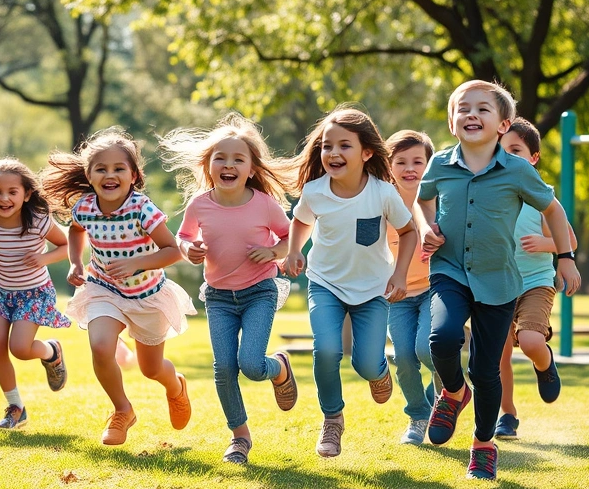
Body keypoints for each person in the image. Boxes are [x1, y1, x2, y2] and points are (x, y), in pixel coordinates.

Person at [416, 81, 581, 480]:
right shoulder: (440, 163)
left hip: (499, 282)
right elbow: (422, 198)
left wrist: (565, 258)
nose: (472, 114)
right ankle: (453, 392)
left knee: (486, 370)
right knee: (441, 339)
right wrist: (426, 226)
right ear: (453, 123)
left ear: (504, 124)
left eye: (483, 109)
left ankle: (483, 444)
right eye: (464, 109)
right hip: (451, 271)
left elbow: (555, 213)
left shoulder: (519, 171)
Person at [41, 127, 196, 446]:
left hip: (147, 296)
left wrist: (137, 263)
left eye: (118, 168)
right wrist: (76, 262)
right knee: (100, 346)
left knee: (150, 368)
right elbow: (75, 231)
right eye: (101, 168)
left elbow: (173, 251)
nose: (109, 175)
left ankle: (176, 387)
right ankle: (122, 410)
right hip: (103, 289)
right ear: (89, 174)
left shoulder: (141, 208)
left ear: (133, 175)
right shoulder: (85, 207)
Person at [161, 113, 298, 464]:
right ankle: (240, 437)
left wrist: (274, 252)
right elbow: (184, 237)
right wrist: (189, 249)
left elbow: (289, 238)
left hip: (259, 291)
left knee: (251, 364)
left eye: (238, 159)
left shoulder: (264, 204)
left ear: (251, 168)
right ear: (209, 167)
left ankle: (279, 368)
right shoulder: (200, 204)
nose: (228, 164)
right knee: (224, 368)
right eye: (220, 158)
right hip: (219, 297)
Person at [282, 106, 418, 458]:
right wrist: (295, 251)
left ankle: (379, 371)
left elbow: (408, 231)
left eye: (344, 146)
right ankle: (332, 420)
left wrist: (400, 273)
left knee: (364, 362)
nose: (333, 153)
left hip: (373, 290)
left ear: (366, 152)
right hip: (325, 283)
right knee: (326, 350)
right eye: (327, 146)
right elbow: (300, 221)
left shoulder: (383, 193)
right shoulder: (315, 192)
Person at [0, 158, 72, 430]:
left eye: (13, 192)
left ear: (26, 195)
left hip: (33, 293)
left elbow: (66, 246)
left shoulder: (37, 220)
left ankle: (51, 352)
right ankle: (15, 407)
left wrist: (43, 259)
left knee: (20, 349)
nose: (4, 198)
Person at [494, 118, 578, 440]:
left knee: (529, 341)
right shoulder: (492, 194)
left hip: (535, 283)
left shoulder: (541, 198)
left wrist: (546, 244)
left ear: (534, 158)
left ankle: (544, 363)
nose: (507, 157)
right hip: (498, 286)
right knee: (499, 356)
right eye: (501, 151)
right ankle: (507, 415)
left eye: (515, 150)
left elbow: (569, 240)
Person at [384, 130, 442, 445]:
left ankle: (448, 392)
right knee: (404, 357)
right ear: (389, 166)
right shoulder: (381, 203)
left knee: (427, 348)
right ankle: (419, 416)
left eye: (418, 161)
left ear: (429, 165)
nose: (410, 168)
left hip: (437, 289)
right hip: (399, 295)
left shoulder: (439, 200)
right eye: (401, 162)